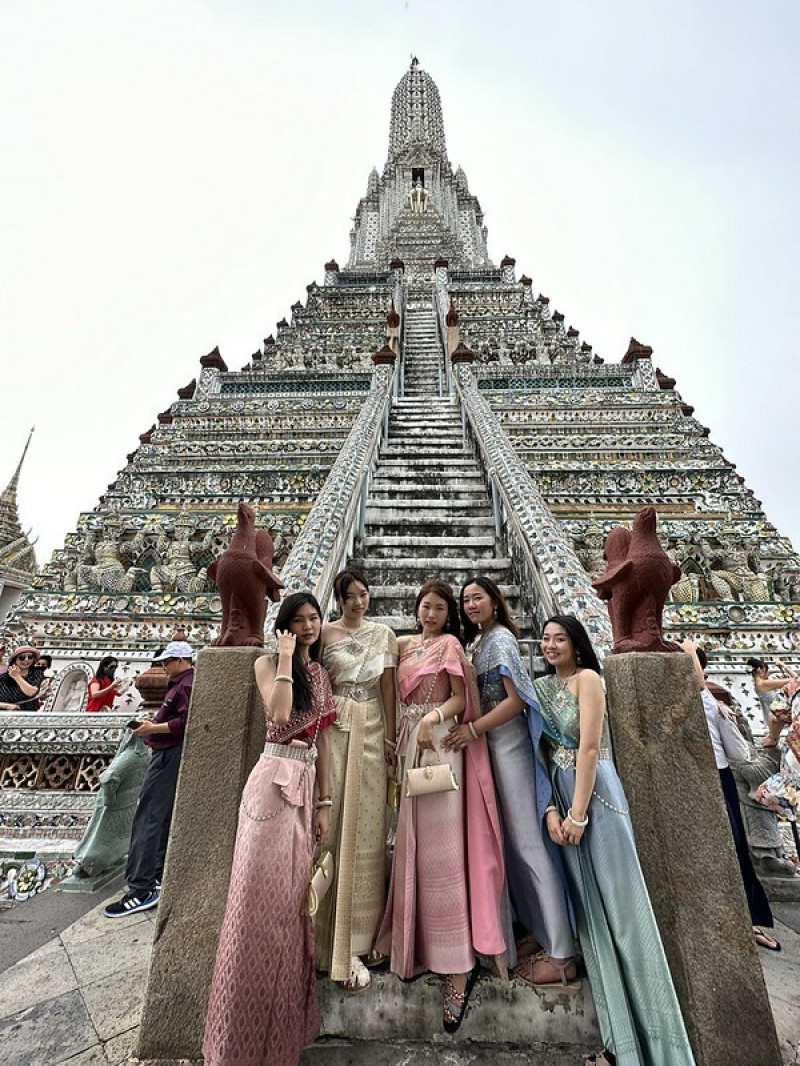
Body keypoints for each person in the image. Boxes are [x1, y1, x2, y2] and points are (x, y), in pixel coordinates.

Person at [535, 615, 695, 1066]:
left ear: (577, 643)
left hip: (595, 799)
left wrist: (578, 815)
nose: (550, 646)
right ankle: (619, 1045)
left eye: (559, 638)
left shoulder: (588, 680)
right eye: (545, 639)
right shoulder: (542, 687)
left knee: (626, 918)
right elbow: (541, 752)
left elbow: (588, 747)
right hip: (561, 794)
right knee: (593, 923)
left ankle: (663, 1048)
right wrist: (551, 809)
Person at [203, 592, 336, 1066]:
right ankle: (233, 1041)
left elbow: (318, 739)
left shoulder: (321, 675)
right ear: (283, 626)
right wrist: (283, 657)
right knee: (253, 903)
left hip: (306, 783)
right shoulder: (267, 663)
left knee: (289, 906)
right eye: (297, 620)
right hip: (271, 782)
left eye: (314, 618)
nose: (307, 626)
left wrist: (323, 803)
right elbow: (280, 717)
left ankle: (280, 1038)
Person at [375, 580, 507, 1032]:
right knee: (411, 847)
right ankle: (414, 943)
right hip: (410, 744)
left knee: (444, 853)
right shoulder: (405, 644)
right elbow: (390, 693)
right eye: (425, 606)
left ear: (447, 614)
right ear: (415, 610)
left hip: (439, 745)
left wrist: (432, 717)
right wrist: (397, 737)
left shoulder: (451, 643)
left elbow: (457, 695)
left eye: (439, 607)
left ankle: (457, 966)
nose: (430, 613)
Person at [445, 577, 575, 987]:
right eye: (465, 600)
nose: (470, 605)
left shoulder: (499, 640)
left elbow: (517, 700)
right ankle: (538, 930)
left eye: (477, 597)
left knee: (527, 843)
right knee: (510, 844)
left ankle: (562, 951)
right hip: (489, 749)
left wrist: (473, 730)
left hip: (509, 746)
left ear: (495, 602)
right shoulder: (479, 642)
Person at [315, 567, 397, 992]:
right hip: (335, 726)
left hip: (371, 728)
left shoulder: (383, 634)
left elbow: (387, 686)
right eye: (350, 595)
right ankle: (321, 939)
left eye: (364, 594)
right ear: (339, 598)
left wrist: (391, 734)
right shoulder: (324, 633)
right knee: (331, 826)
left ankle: (359, 940)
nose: (358, 602)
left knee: (368, 827)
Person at [685, 641, 781, 952]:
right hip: (703, 778)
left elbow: (739, 754)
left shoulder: (712, 704)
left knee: (733, 850)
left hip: (719, 778)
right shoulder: (696, 702)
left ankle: (747, 922)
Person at [104, 640, 194, 917]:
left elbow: (185, 721)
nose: (164, 667)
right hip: (165, 751)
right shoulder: (181, 684)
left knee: (149, 816)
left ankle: (141, 888)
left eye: (167, 661)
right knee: (159, 817)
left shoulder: (187, 685)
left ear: (181, 660)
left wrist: (154, 727)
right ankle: (154, 875)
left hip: (169, 753)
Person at [747, 656, 798, 736]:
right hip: (777, 723)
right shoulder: (763, 684)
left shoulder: (762, 683)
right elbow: (796, 679)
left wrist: (782, 669)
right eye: (767, 670)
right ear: (761, 670)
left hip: (778, 721)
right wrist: (784, 666)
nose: (768, 673)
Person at [0, 646, 42, 710]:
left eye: (30, 657)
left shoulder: (36, 673)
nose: (26, 660)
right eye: (22, 657)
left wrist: (17, 677)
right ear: (15, 660)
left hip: (27, 715)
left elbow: (31, 692)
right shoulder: (3, 678)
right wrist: (6, 706)